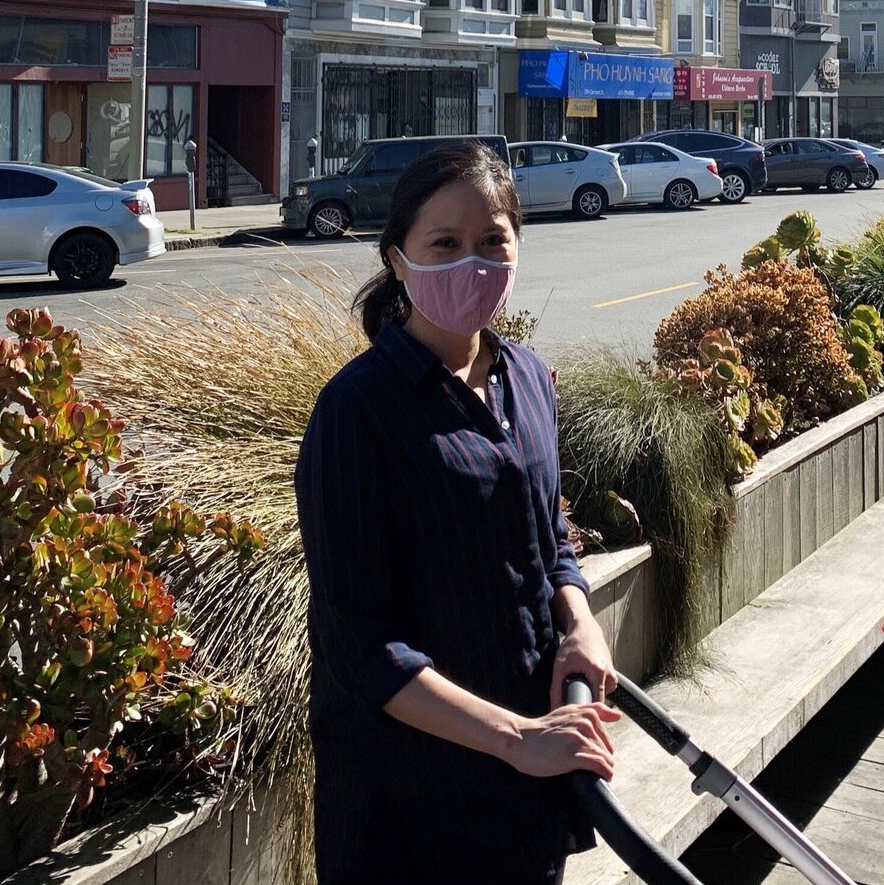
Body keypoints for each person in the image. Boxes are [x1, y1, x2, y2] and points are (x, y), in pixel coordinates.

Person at [296, 141, 621, 885]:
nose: (470, 263)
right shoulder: (357, 411)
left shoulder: (529, 378)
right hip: (410, 809)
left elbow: (549, 536)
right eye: (444, 243)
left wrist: (580, 623)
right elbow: (359, 643)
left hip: (529, 788)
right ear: (398, 258)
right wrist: (516, 736)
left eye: (491, 242)